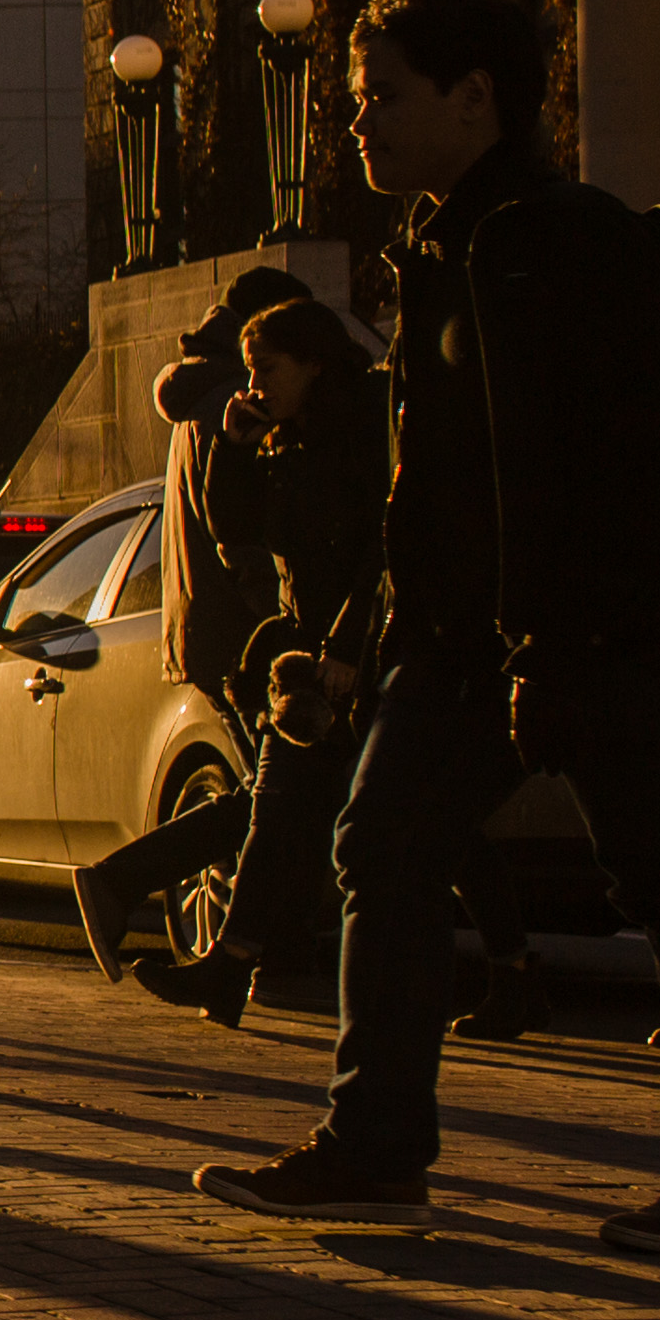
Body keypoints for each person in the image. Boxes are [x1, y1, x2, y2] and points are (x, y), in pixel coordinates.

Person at [200, 0, 660, 1250]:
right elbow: (442, 491)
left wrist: (561, 641)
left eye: (384, 99)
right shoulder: (444, 246)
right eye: (357, 102)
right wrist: (370, 643)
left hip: (589, 631)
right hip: (467, 641)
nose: (359, 126)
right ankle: (375, 1150)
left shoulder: (553, 244)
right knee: (384, 843)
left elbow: (587, 468)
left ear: (477, 99)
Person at [103, 291, 382, 1023]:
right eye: (249, 368)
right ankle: (229, 967)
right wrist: (233, 448)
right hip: (305, 660)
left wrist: (350, 646)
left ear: (315, 363)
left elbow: (385, 550)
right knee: (277, 805)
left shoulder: (364, 428)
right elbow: (239, 529)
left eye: (267, 368)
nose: (254, 384)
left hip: (366, 654)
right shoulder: (279, 436)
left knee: (387, 829)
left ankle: (506, 969)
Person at [66, 268, 316, 988]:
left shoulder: (199, 398)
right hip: (247, 636)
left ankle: (266, 955)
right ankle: (126, 883)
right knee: (274, 800)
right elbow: (238, 532)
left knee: (278, 798)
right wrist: (277, 624)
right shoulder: (230, 404)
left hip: (206, 628)